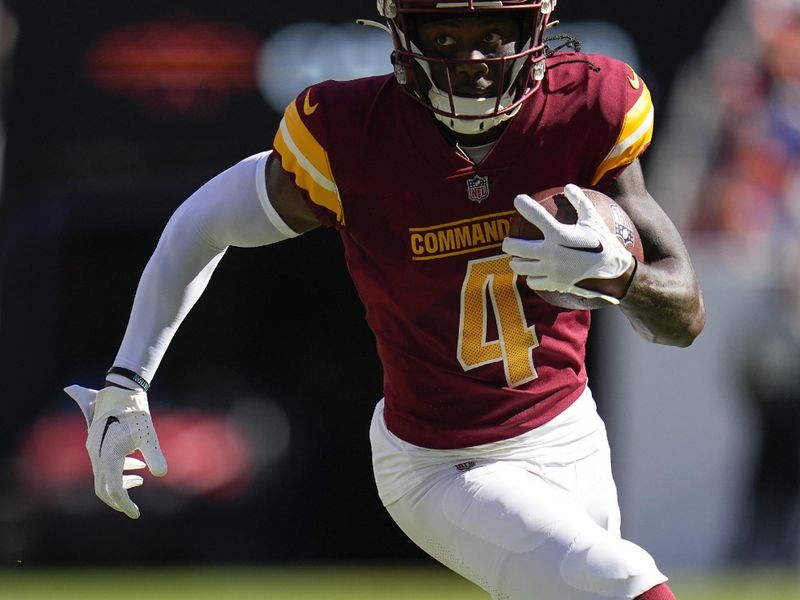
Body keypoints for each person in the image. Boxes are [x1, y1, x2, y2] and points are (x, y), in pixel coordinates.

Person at [65, 1, 705, 598]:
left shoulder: (588, 107)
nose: (472, 61)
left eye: (491, 36)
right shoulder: (353, 135)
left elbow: (684, 318)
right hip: (444, 463)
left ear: (534, 34)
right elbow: (201, 223)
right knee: (624, 581)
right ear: (405, 38)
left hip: (572, 433)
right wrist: (127, 380)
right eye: (446, 37)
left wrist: (620, 277)